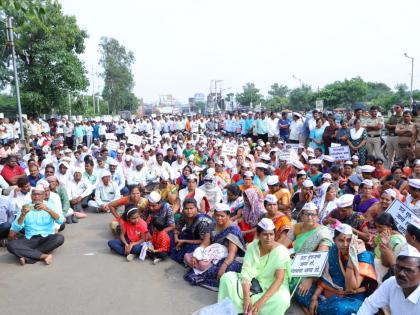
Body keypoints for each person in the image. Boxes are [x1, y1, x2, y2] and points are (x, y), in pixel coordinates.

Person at [295, 224, 377, 315]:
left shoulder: (364, 255)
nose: (345, 244)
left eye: (349, 240)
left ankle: (316, 310)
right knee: (300, 292)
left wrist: (351, 259)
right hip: (332, 290)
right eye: (341, 240)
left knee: (339, 309)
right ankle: (318, 309)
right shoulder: (334, 250)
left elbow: (351, 288)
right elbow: (325, 279)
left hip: (353, 296)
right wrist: (314, 297)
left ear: (354, 239)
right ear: (334, 241)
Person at [218, 218, 291, 315]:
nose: (269, 238)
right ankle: (244, 307)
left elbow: (279, 280)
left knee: (282, 300)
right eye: (265, 234)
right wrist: (246, 297)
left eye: (271, 234)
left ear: (275, 235)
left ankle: (250, 309)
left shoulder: (281, 251)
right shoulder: (252, 246)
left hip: (273, 286)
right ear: (259, 235)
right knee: (227, 278)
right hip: (253, 282)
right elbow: (246, 271)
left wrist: (260, 302)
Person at [183, 203, 246, 290]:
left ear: (228, 215)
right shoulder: (212, 225)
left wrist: (224, 266)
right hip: (213, 252)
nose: (219, 218)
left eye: (222, 216)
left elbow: (232, 253)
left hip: (228, 257)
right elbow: (205, 243)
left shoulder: (233, 230)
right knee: (193, 258)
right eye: (217, 215)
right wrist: (196, 255)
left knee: (218, 271)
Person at [282, 202, 333, 294]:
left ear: (317, 217)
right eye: (307, 214)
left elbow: (320, 258)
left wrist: (309, 278)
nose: (310, 217)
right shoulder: (296, 227)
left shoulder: (323, 233)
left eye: (313, 215)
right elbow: (283, 247)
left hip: (312, 268)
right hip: (296, 262)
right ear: (302, 216)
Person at [7, 185, 65, 265]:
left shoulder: (50, 205)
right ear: (31, 196)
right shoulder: (26, 207)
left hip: (47, 237)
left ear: (44, 196)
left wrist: (47, 209)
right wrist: (23, 214)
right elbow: (16, 227)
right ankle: (43, 256)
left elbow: (60, 221)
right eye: (34, 194)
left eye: (39, 194)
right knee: (11, 245)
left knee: (59, 238)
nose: (36, 197)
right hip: (30, 238)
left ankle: (28, 257)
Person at [357, 244, 420, 314]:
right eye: (398, 267)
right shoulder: (392, 282)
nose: (401, 273)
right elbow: (370, 305)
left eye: (408, 270)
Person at [171, 198, 214, 264]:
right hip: (190, 234)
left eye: (191, 208)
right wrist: (176, 238)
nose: (189, 211)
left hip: (201, 242)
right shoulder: (184, 214)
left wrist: (183, 241)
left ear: (196, 208)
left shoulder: (202, 222)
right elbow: (178, 228)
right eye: (186, 209)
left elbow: (204, 241)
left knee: (190, 249)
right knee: (171, 236)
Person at [373, 212, 406, 284]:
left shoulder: (397, 240)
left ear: (390, 227)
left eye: (380, 227)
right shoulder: (381, 234)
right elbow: (375, 245)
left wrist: (386, 244)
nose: (377, 230)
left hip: (383, 270)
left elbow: (391, 261)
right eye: (376, 226)